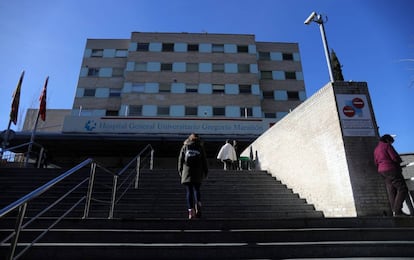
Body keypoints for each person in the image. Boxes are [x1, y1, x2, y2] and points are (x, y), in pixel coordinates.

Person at [374, 134, 409, 217]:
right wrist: (399, 162)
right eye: (391, 142)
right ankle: (398, 211)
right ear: (387, 140)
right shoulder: (387, 146)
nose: (391, 144)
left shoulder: (376, 149)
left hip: (382, 171)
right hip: (391, 169)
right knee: (402, 189)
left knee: (391, 190)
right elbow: (394, 157)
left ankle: (394, 211)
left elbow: (375, 162)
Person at [178, 133, 208, 219]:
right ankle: (198, 203)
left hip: (187, 172)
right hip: (198, 172)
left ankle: (191, 211)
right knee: (197, 189)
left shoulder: (185, 146)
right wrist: (205, 172)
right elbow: (204, 160)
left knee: (189, 191)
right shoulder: (200, 147)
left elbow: (180, 160)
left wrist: (181, 171)